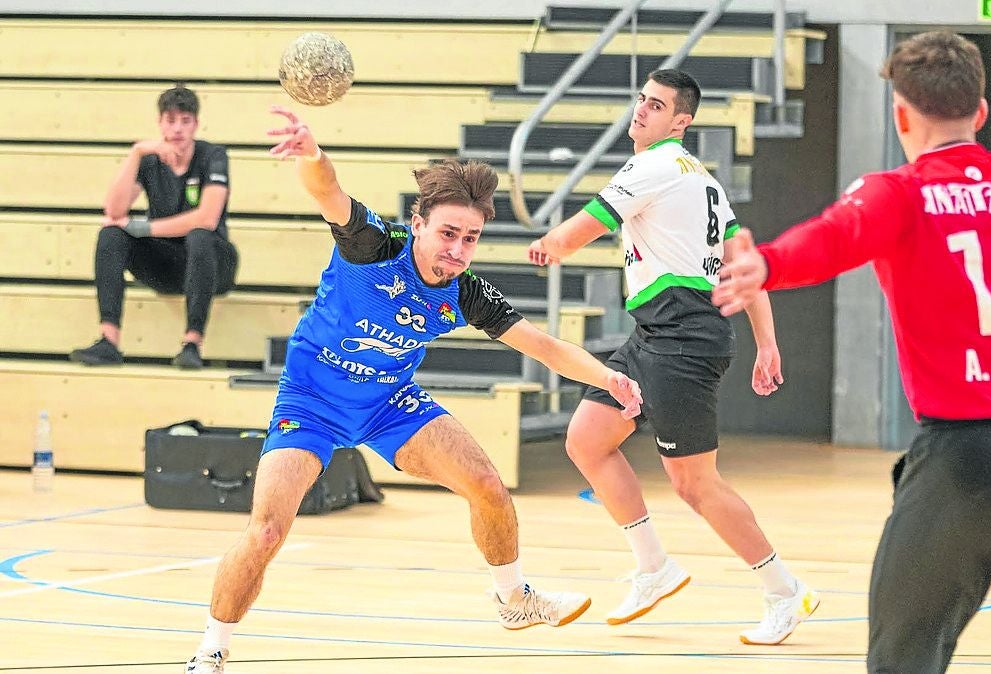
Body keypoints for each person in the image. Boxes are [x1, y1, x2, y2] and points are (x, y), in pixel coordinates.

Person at [184, 106, 644, 673]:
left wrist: (607, 377)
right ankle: (212, 647)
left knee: (489, 487)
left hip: (388, 404)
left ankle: (514, 599)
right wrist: (312, 155)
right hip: (312, 402)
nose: (457, 249)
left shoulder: (467, 291)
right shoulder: (373, 244)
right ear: (419, 222)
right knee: (268, 530)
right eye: (448, 233)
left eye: (470, 238)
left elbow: (543, 346)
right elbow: (328, 192)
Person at [712, 31, 991, 674]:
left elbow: (837, 237)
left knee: (904, 652)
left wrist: (769, 265)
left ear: (901, 114)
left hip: (969, 461)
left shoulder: (901, 192)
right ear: (980, 112)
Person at [526, 69, 819, 645]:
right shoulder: (705, 180)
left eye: (655, 105)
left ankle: (785, 592)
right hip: (657, 332)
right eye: (640, 99)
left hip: (683, 336)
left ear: (680, 122)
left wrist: (538, 243)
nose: (641, 111)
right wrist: (766, 341)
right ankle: (654, 567)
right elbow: (743, 260)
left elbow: (572, 236)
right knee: (587, 438)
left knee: (694, 484)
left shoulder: (653, 166)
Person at [69, 84, 238, 370]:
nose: (178, 129)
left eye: (185, 121)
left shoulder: (213, 156)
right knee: (111, 234)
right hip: (167, 265)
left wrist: (143, 227)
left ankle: (192, 344)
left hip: (214, 264)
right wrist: (136, 153)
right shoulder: (149, 160)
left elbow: (207, 218)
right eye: (171, 120)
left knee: (199, 236)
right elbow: (113, 210)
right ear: (160, 123)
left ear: (196, 124)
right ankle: (109, 341)